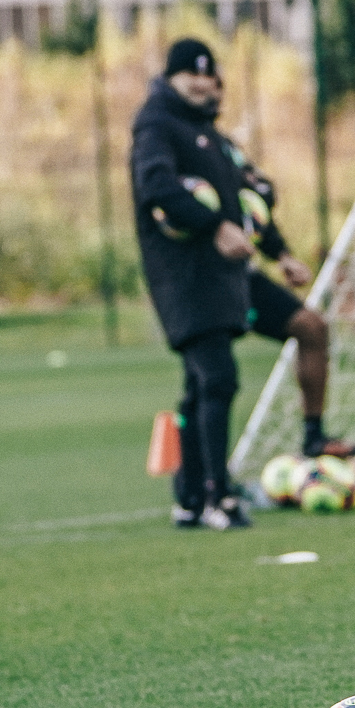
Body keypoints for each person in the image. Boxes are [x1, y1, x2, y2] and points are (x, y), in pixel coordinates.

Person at [129, 38, 256, 531]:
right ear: (172, 79)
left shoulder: (204, 129)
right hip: (183, 275)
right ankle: (214, 496)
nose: (203, 84)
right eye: (191, 77)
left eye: (209, 76)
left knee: (198, 384)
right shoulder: (157, 124)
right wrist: (214, 225)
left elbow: (245, 193)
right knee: (217, 377)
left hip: (217, 276)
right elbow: (156, 187)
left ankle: (189, 495)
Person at [212, 75, 355, 460]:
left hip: (241, 277)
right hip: (202, 282)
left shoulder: (224, 146)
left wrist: (281, 254)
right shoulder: (172, 141)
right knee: (212, 376)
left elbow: (255, 202)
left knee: (312, 327)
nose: (211, 90)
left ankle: (315, 437)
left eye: (215, 82)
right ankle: (206, 482)